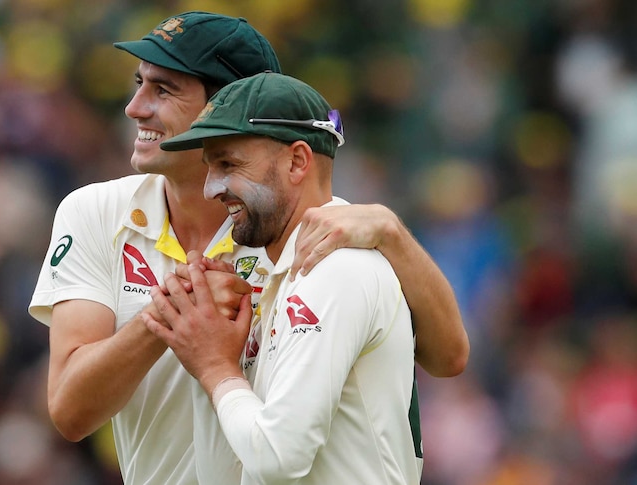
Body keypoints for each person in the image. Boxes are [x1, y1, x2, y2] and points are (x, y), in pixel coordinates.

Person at [28, 11, 467, 485]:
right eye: (139, 84)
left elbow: (449, 358)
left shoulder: (320, 232)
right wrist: (170, 317)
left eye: (164, 89)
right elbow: (71, 413)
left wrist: (393, 232)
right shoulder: (94, 211)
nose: (134, 107)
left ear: (227, 104)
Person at [148, 71, 420, 484]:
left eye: (229, 164)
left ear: (297, 161)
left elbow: (278, 458)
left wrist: (215, 368)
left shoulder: (338, 271)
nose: (211, 189)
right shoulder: (272, 276)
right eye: (209, 167)